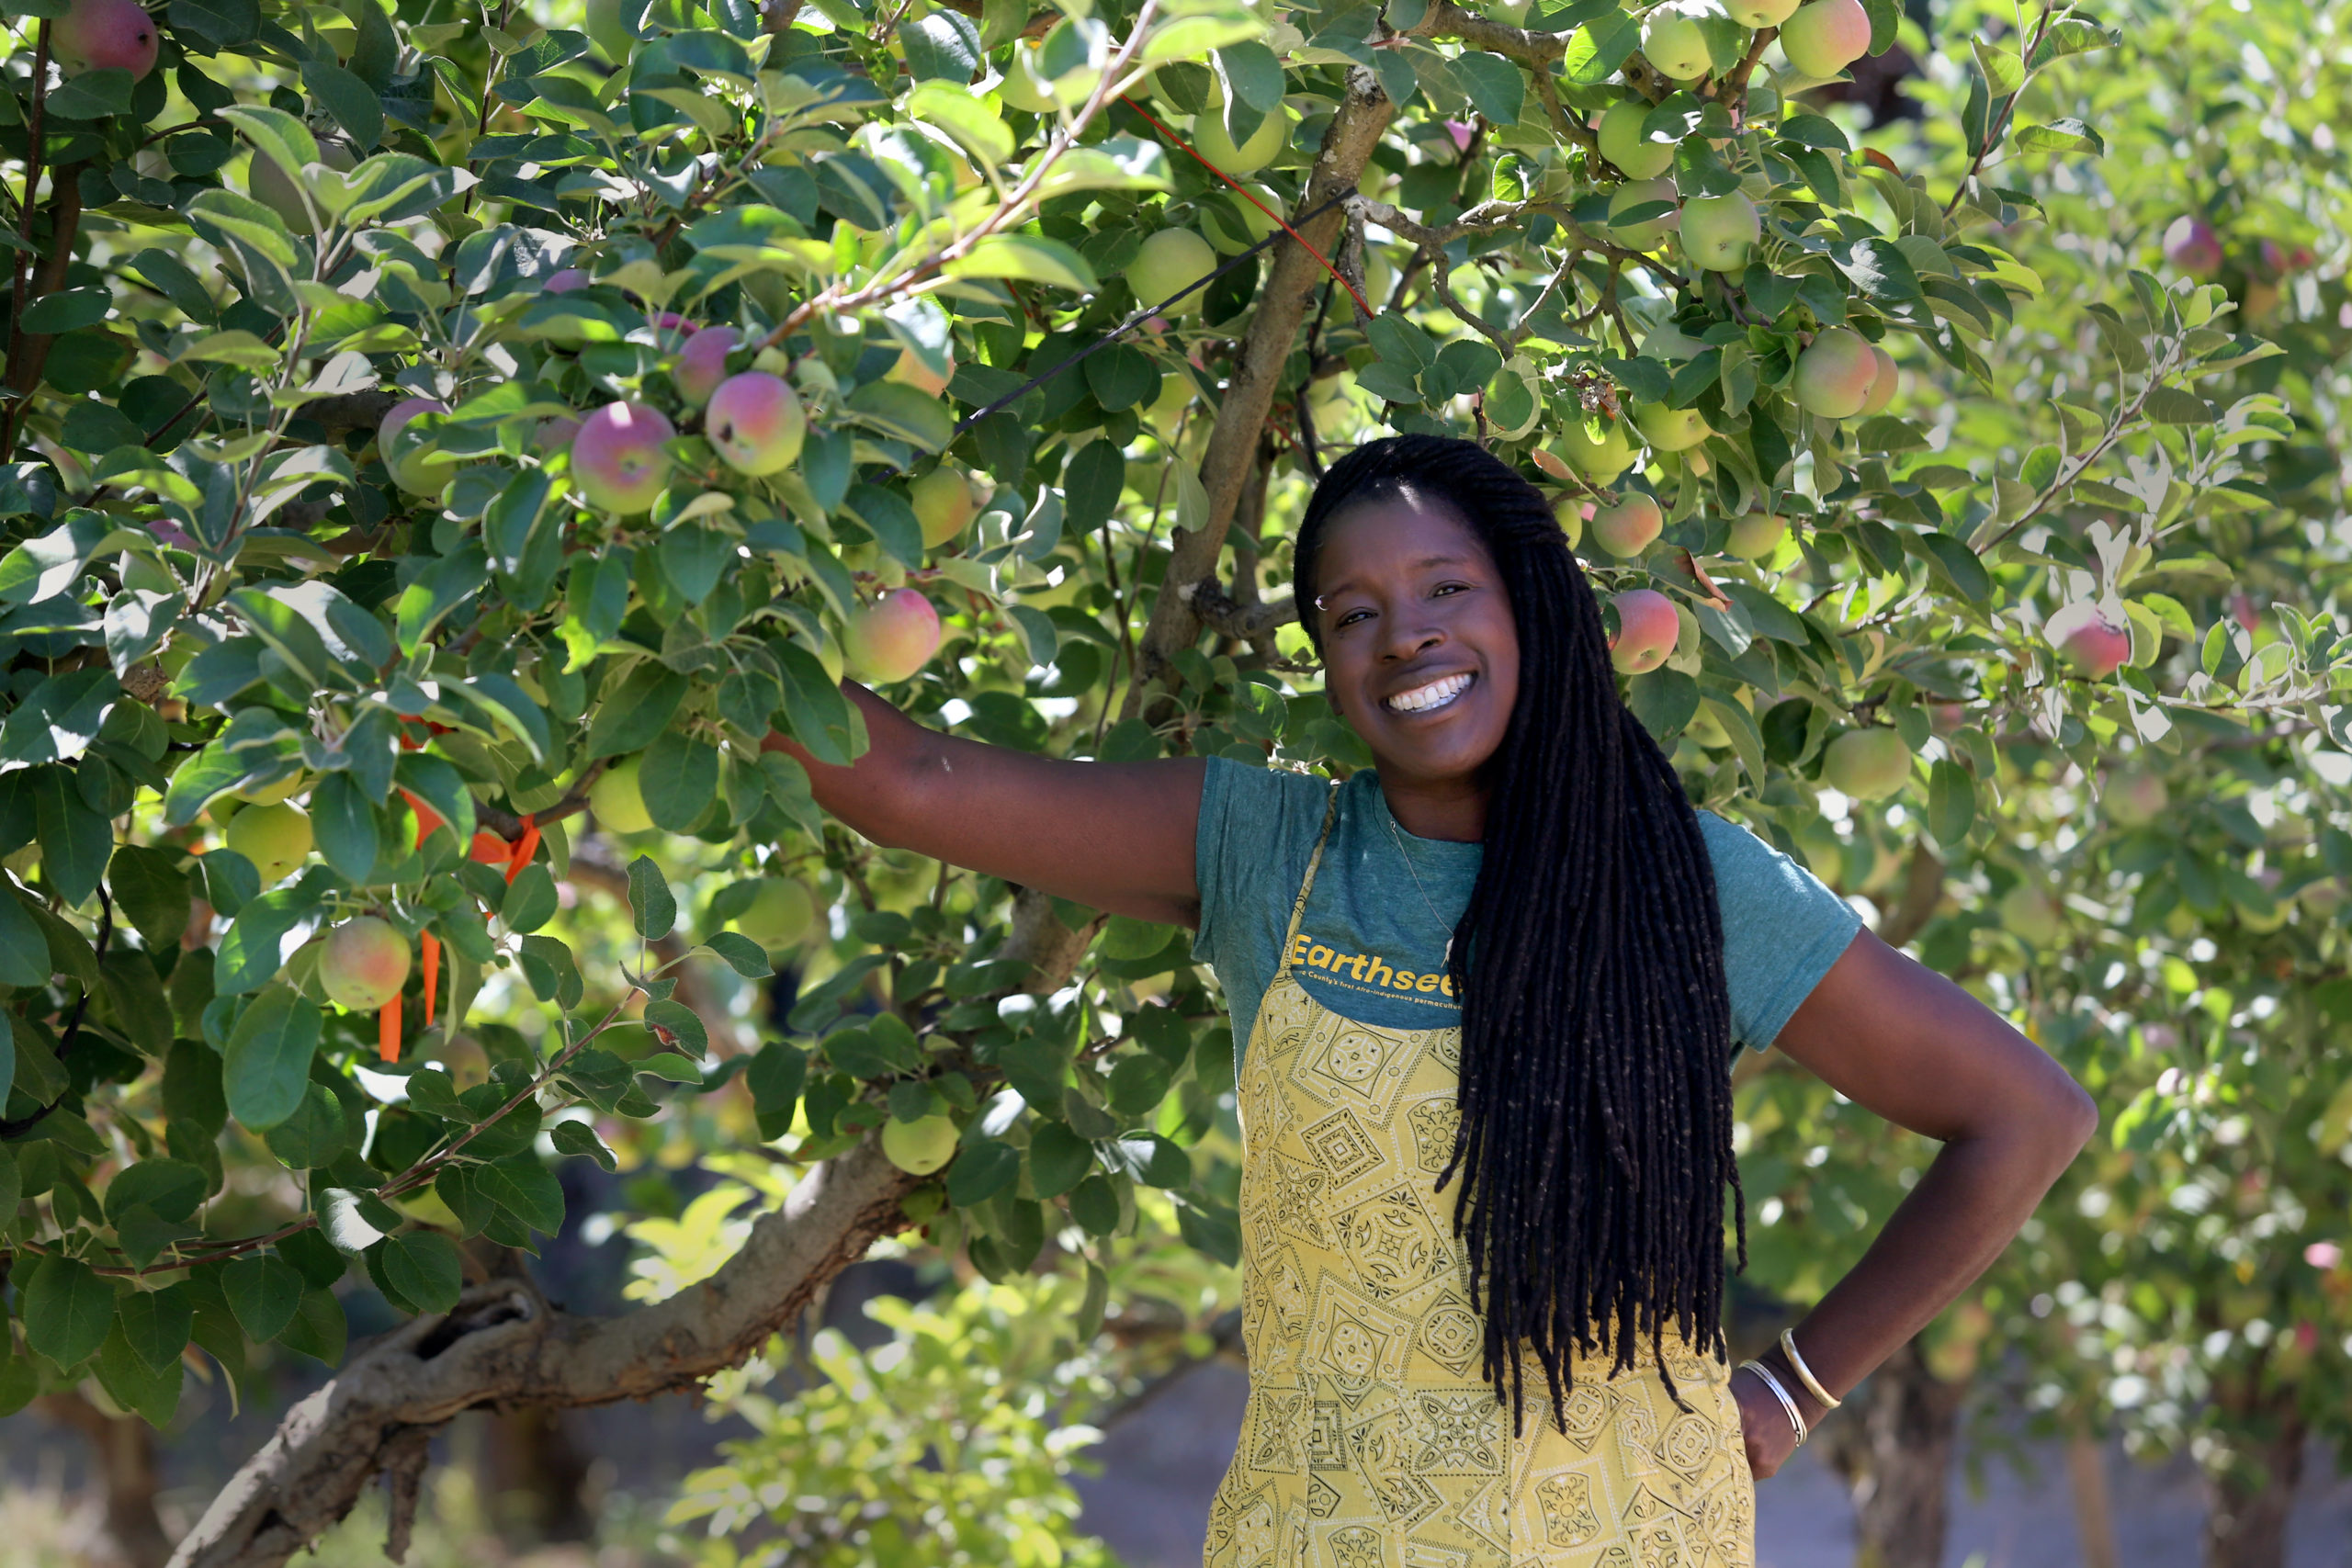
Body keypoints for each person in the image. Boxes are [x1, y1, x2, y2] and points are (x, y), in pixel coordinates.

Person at [768, 434, 2097, 1565]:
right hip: (1323, 1528)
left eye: (1446, 587)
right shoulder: (1262, 851)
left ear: (1527, 604)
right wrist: (691, 615)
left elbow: (2023, 1117)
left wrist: (1798, 1387)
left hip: (1627, 1533)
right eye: (1352, 613)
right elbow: (913, 783)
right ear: (1329, 661)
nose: (1405, 634)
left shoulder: (1691, 883)